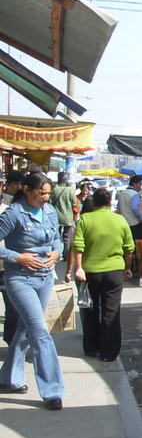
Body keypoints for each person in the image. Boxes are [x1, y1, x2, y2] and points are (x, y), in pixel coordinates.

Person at [0, 172, 65, 410]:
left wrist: (57, 253)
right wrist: (17, 257)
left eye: (48, 193)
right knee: (40, 332)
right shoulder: (13, 213)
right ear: (27, 190)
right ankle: (52, 390)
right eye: (40, 193)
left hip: (45, 277)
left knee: (26, 330)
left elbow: (57, 239)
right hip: (20, 279)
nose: (45, 198)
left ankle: (9, 378)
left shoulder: (50, 211)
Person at [73, 188, 134, 361]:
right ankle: (109, 352)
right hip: (114, 272)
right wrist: (127, 268)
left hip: (90, 272)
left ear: (94, 202)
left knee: (90, 310)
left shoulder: (85, 219)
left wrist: (78, 268)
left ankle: (91, 347)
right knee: (111, 312)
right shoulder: (119, 220)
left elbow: (77, 246)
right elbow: (129, 248)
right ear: (109, 202)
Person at [0, 170, 24, 344]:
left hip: (8, 267)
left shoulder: (13, 209)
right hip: (10, 262)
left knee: (13, 309)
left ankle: (12, 343)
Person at [117, 175, 142, 275]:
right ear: (135, 183)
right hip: (135, 224)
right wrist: (141, 218)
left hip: (124, 223)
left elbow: (119, 208)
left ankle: (127, 267)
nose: (141, 186)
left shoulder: (122, 193)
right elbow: (135, 208)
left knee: (126, 247)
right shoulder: (134, 194)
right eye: (140, 183)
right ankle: (137, 268)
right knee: (137, 247)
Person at [51, 171, 78, 261]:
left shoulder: (54, 190)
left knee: (56, 236)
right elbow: (74, 204)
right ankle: (66, 254)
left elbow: (50, 203)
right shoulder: (70, 190)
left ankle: (56, 253)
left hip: (56, 217)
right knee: (67, 237)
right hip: (68, 218)